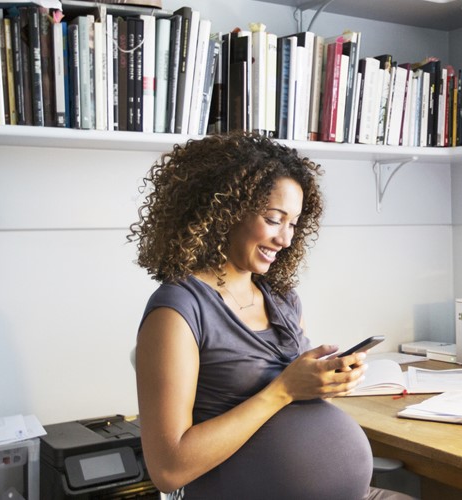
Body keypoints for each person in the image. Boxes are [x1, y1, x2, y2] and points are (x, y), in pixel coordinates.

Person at [129, 132, 412, 499]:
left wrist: (323, 384)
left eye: (293, 223)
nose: (286, 239)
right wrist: (284, 390)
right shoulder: (177, 312)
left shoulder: (281, 299)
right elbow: (168, 469)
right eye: (274, 219)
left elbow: (292, 407)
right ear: (224, 210)